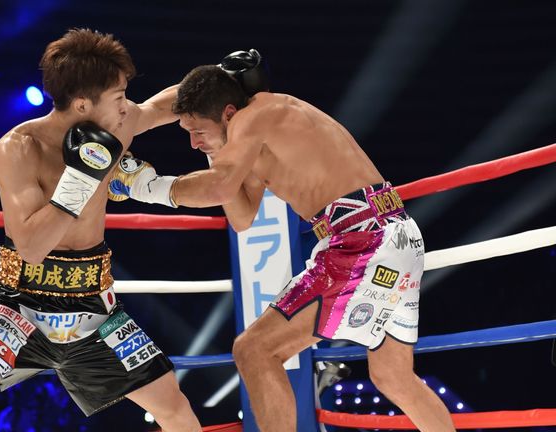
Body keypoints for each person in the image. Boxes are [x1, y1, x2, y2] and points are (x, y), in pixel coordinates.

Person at [109, 50, 456, 431]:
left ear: (227, 112)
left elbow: (219, 183)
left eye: (198, 133)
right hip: (389, 236)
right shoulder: (250, 142)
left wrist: (143, 184)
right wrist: (213, 152)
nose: (192, 143)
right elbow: (241, 216)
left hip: (362, 240)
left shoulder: (260, 113)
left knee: (254, 349)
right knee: (393, 377)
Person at [0, 28, 201, 432]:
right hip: (21, 300)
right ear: (81, 104)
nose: (125, 108)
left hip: (95, 304)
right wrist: (80, 179)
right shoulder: (17, 148)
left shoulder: (115, 126)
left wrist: (222, 78)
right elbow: (30, 246)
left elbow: (163, 106)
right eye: (117, 98)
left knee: (173, 405)